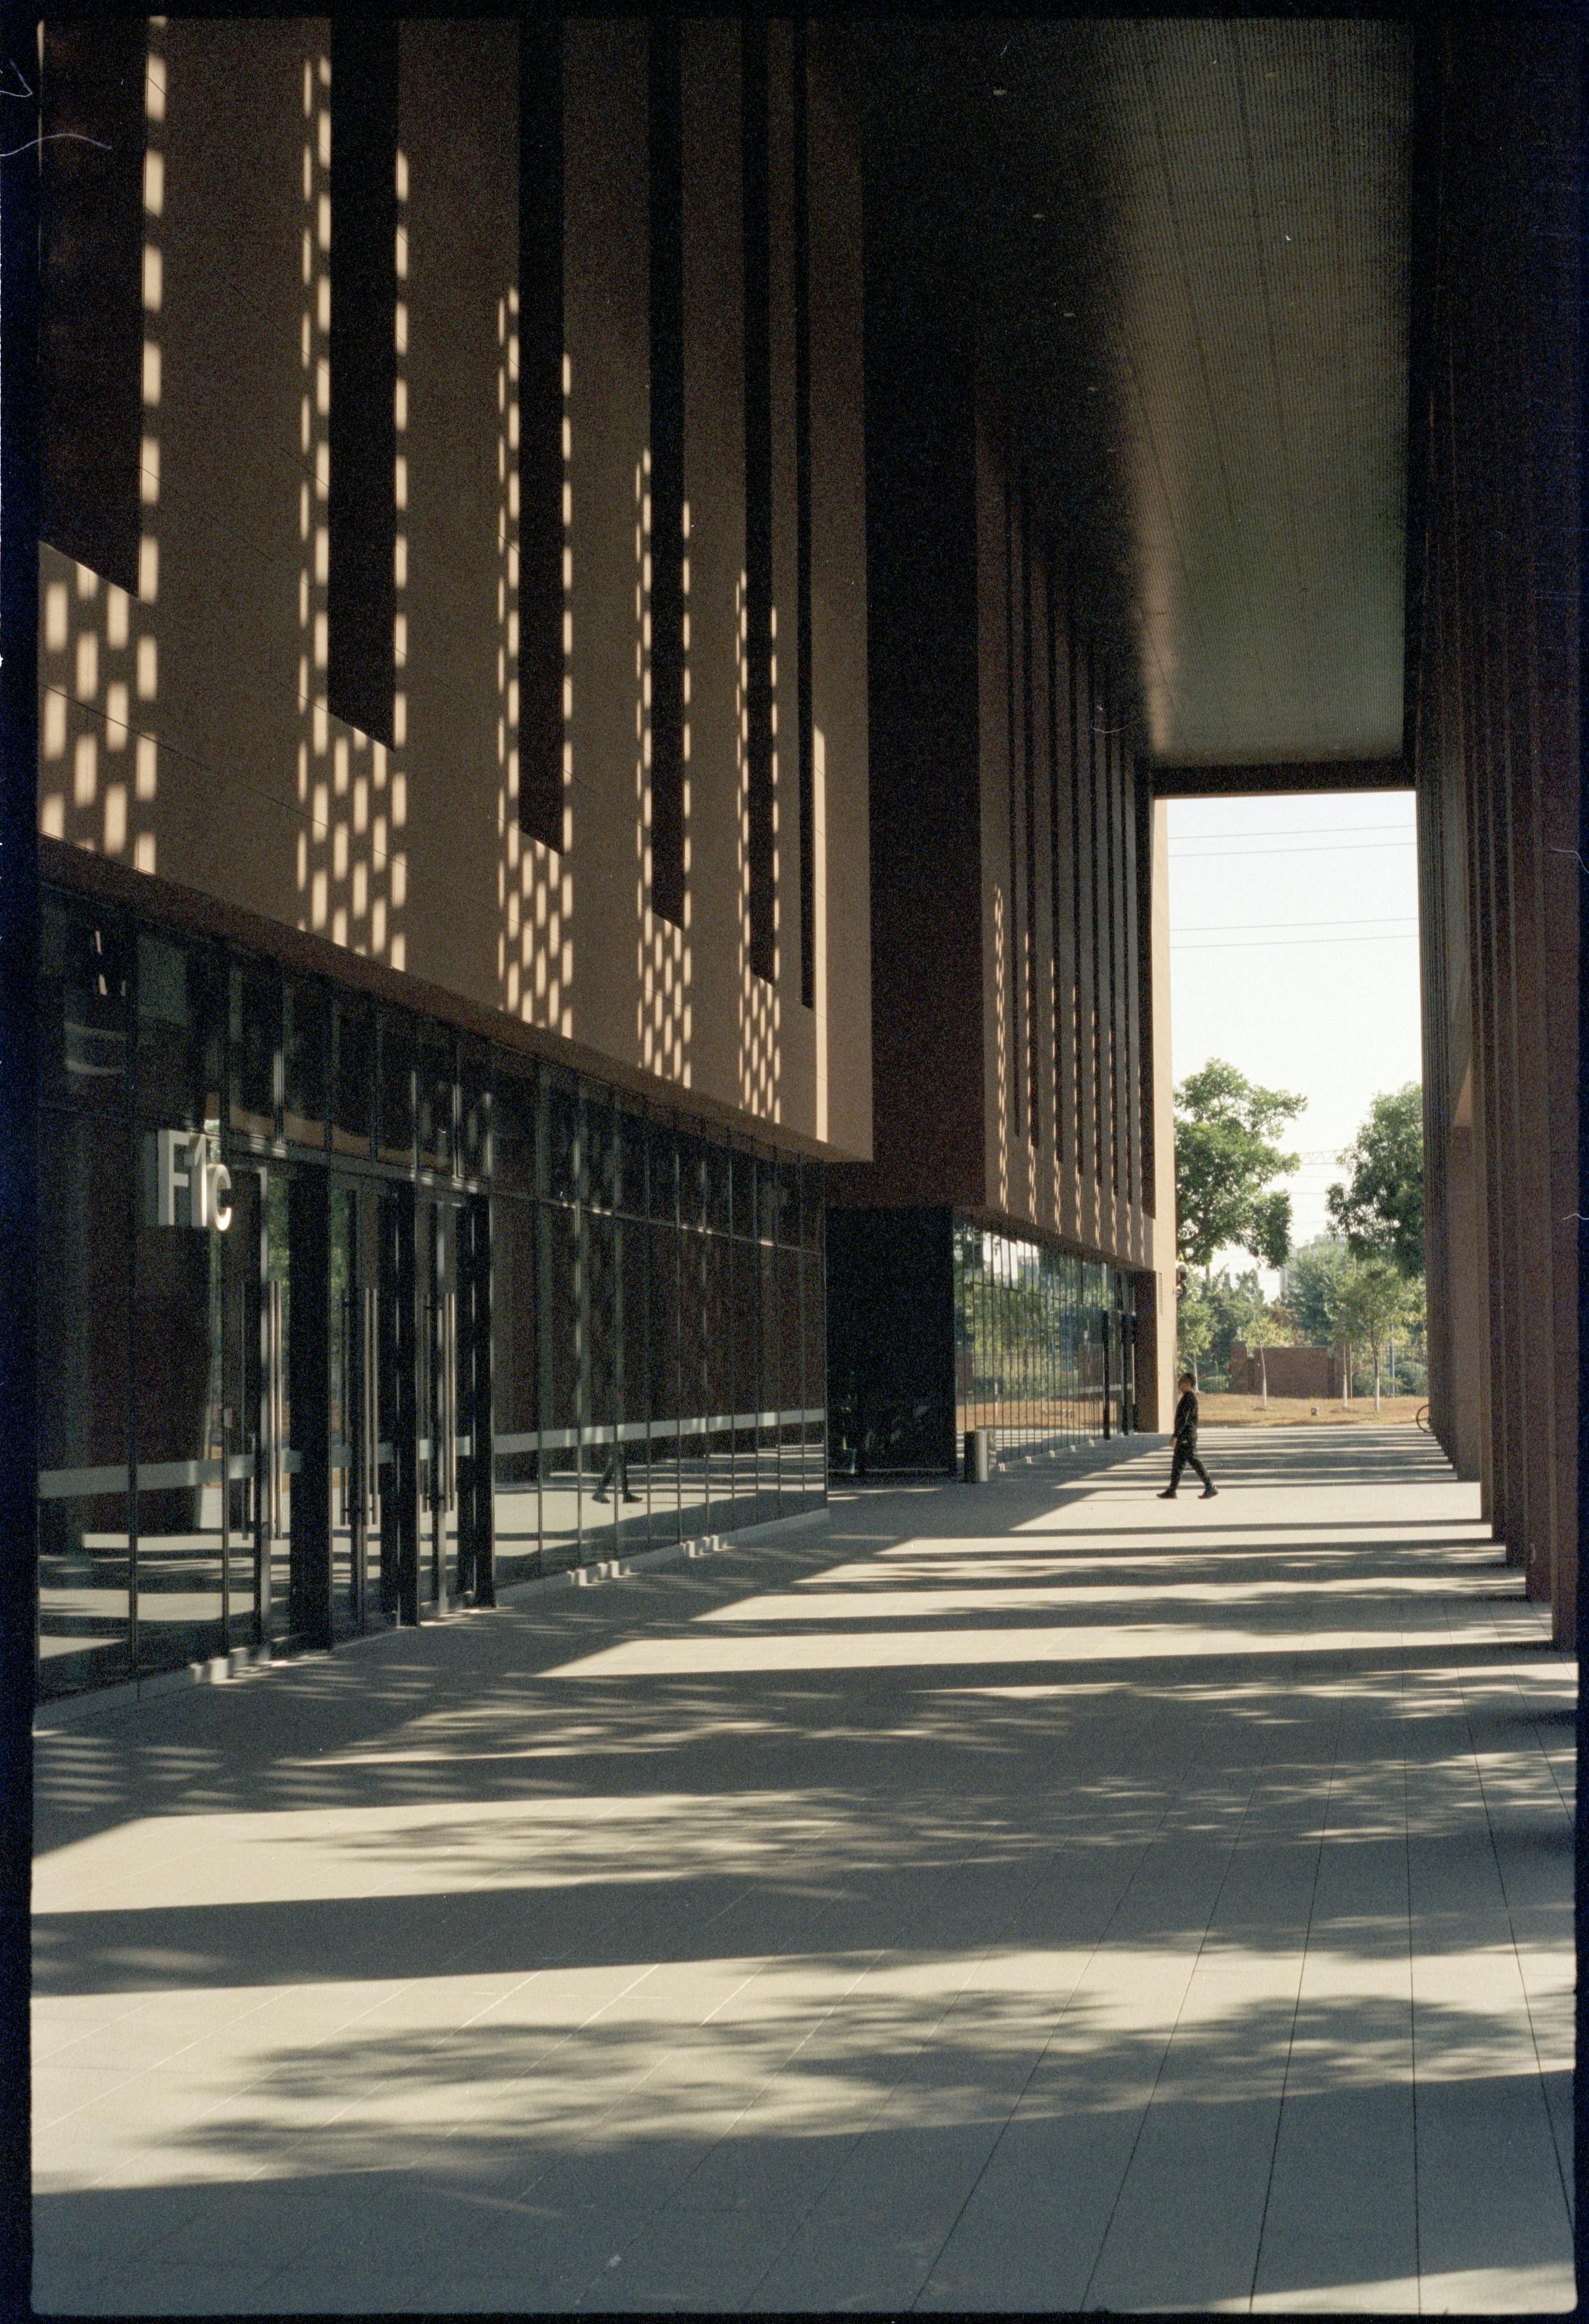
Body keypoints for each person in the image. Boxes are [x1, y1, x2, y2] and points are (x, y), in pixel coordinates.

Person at [1159, 1372, 1217, 1498]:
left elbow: (1183, 1419)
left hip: (1187, 1436)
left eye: (1181, 1382)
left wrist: (1176, 1435)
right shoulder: (1187, 1397)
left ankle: (1210, 1487)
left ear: (1188, 1383)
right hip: (1185, 1436)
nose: (1179, 1384)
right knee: (1177, 1464)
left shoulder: (1189, 1398)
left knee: (1194, 1462)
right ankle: (1172, 1490)